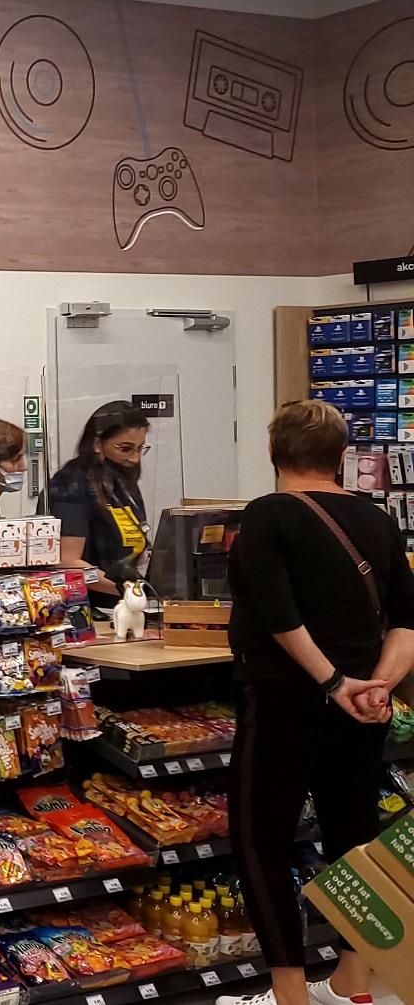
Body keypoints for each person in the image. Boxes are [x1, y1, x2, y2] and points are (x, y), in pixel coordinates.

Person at [219, 399, 414, 1005]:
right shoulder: (378, 519)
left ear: (273, 452)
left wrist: (331, 682)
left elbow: (279, 616)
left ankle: (290, 994)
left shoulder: (267, 514)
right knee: (353, 839)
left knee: (262, 843)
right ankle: (352, 982)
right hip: (363, 707)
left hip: (284, 699)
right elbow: (407, 620)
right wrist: (376, 684)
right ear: (341, 456)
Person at [41, 400, 150, 608]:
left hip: (125, 601)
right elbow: (68, 562)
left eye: (140, 448)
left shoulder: (122, 483)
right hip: (87, 606)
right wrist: (124, 589)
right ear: (98, 444)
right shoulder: (70, 485)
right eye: (126, 449)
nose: (135, 459)